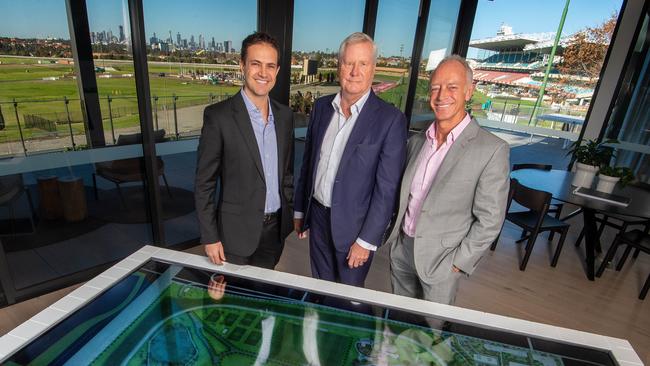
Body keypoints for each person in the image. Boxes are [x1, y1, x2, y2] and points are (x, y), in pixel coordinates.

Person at [386, 55, 510, 305]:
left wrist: (457, 264)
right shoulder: (417, 141)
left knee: (432, 334)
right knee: (400, 323)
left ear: (468, 91)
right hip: (402, 251)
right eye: (435, 88)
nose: (442, 95)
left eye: (452, 87)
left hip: (442, 262)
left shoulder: (492, 149)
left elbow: (490, 220)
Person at [294, 32, 407, 287]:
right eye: (349, 63)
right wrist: (301, 209)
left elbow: (386, 190)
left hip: (355, 230)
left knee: (349, 298)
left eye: (363, 64)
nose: (355, 71)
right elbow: (309, 163)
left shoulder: (390, 120)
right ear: (339, 66)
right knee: (321, 287)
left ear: (373, 68)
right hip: (318, 218)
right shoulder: (322, 108)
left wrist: (366, 240)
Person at [194, 32, 294, 269]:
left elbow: (287, 173)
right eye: (256, 64)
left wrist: (290, 215)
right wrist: (210, 236)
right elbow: (204, 183)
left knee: (263, 298)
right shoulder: (218, 116)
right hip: (234, 235)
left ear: (277, 71)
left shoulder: (285, 116)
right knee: (231, 299)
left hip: (275, 232)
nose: (263, 73)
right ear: (242, 65)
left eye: (270, 66)